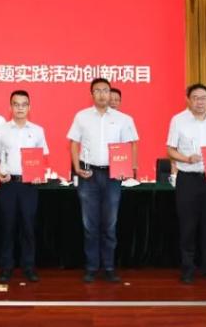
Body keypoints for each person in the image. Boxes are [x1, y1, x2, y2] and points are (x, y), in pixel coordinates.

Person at [68, 78, 139, 283]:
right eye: (97, 90)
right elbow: (73, 144)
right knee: (90, 225)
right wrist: (77, 167)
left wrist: (128, 169)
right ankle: (91, 267)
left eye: (105, 90)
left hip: (112, 176)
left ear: (110, 93)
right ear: (91, 94)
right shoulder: (82, 116)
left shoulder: (124, 119)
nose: (102, 94)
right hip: (88, 175)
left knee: (109, 224)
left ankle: (109, 267)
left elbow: (129, 145)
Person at [166, 83, 206, 285]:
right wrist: (186, 159)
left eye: (203, 98)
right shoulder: (178, 120)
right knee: (188, 226)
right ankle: (188, 269)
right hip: (188, 179)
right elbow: (170, 150)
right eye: (195, 98)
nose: (200, 102)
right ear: (188, 100)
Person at [0, 89, 48, 283]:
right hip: (8, 185)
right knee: (7, 227)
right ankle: (6, 267)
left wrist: (39, 174)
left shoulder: (37, 130)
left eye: (24, 104)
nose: (20, 108)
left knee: (28, 228)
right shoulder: (1, 130)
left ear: (29, 107)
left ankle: (28, 267)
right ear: (10, 107)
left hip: (29, 186)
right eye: (16, 104)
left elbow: (42, 158)